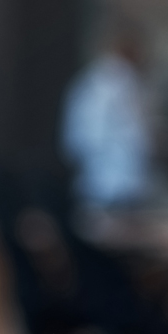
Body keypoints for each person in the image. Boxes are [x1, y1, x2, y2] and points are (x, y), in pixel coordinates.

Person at [61, 25, 152, 214]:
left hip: (103, 179)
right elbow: (134, 134)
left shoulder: (91, 80)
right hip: (114, 180)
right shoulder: (116, 81)